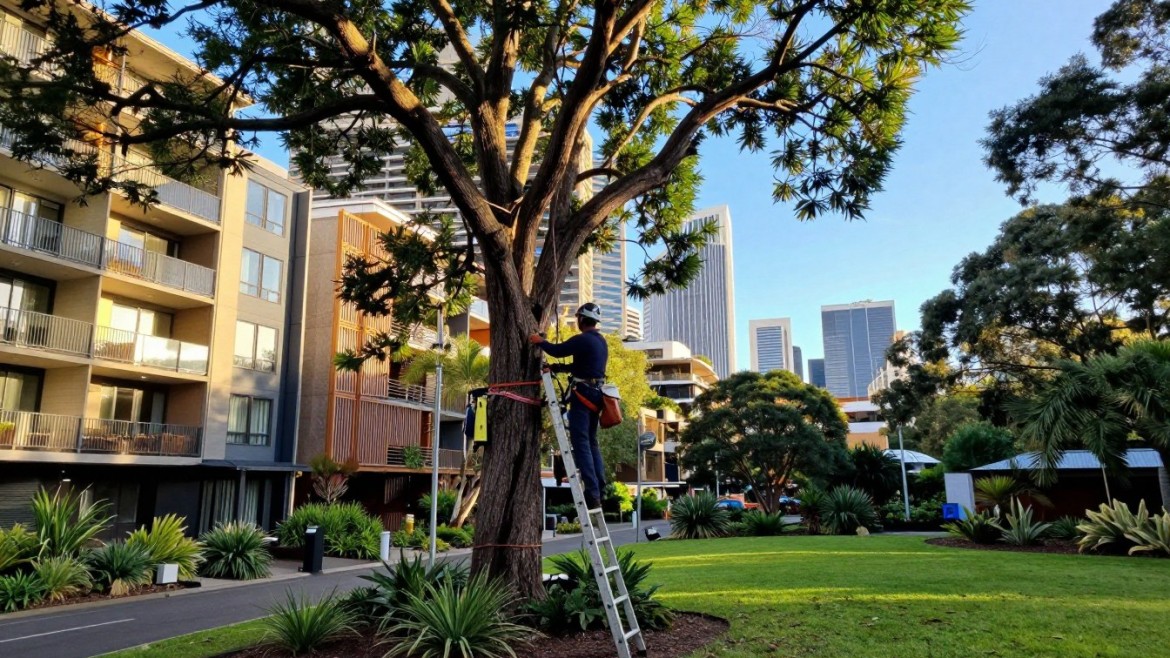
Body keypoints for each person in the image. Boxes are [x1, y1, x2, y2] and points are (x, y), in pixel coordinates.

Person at [528, 303, 609, 509]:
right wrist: (559, 368)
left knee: (581, 442)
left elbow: (557, 350)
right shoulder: (601, 342)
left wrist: (540, 341)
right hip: (597, 394)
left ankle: (591, 493)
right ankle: (600, 487)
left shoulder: (581, 340)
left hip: (583, 395)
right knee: (591, 442)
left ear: (582, 319)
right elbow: (582, 366)